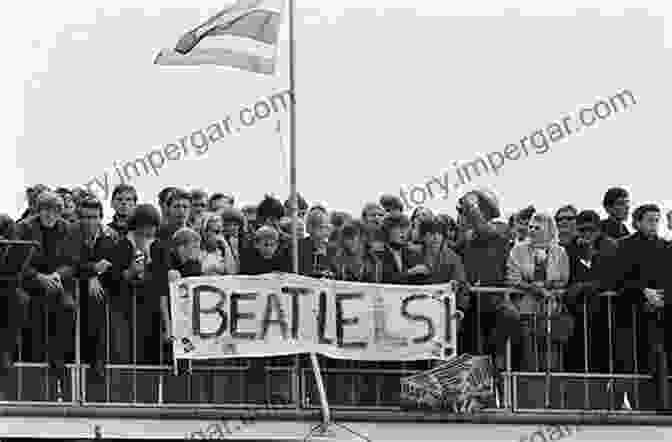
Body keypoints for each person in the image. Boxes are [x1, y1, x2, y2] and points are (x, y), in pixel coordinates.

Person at [609, 204, 670, 409]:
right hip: (630, 315)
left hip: (658, 316)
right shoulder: (624, 245)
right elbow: (618, 280)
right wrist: (643, 291)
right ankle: (620, 408)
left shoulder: (665, 246)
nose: (654, 224)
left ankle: (657, 407)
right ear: (637, 222)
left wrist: (662, 297)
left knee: (657, 361)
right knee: (628, 363)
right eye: (650, 219)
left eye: (656, 219)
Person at [16, 191, 76, 389]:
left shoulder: (67, 229)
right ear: (38, 210)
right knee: (31, 313)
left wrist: (57, 275)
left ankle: (59, 359)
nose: (50, 214)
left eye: (55, 210)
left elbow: (72, 262)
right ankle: (35, 367)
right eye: (45, 210)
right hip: (31, 285)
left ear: (60, 212)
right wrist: (39, 277)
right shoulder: (24, 228)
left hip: (56, 284)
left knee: (68, 307)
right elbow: (17, 262)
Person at [506, 212, 570, 372]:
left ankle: (551, 394)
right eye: (531, 227)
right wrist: (533, 288)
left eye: (537, 228)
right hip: (525, 309)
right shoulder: (517, 250)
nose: (532, 230)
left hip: (551, 311)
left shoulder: (560, 252)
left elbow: (564, 279)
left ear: (549, 230)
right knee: (529, 359)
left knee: (551, 359)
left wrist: (548, 286)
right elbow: (513, 278)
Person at [63, 197, 116, 378]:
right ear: (79, 218)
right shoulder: (71, 233)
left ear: (101, 217)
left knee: (97, 300)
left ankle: (97, 361)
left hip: (98, 292)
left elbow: (111, 263)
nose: (89, 221)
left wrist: (95, 273)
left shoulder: (110, 235)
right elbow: (71, 263)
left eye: (94, 217)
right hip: (72, 288)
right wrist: (92, 272)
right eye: (85, 217)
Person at [563, 210, 617, 373]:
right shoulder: (570, 247)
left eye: (590, 230)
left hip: (604, 314)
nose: (587, 233)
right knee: (575, 361)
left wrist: (585, 286)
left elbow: (613, 278)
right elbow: (566, 277)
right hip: (577, 314)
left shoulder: (610, 245)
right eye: (582, 230)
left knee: (602, 361)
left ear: (599, 229)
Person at [110, 204, 161, 364]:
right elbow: (113, 277)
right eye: (145, 227)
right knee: (125, 355)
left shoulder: (159, 247)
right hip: (125, 310)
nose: (149, 232)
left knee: (149, 357)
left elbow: (162, 277)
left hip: (151, 310)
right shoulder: (122, 245)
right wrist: (129, 273)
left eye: (153, 227)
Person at [298, 209, 333, 277]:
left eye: (328, 227)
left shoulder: (331, 250)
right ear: (310, 228)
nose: (326, 232)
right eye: (322, 227)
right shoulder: (298, 247)